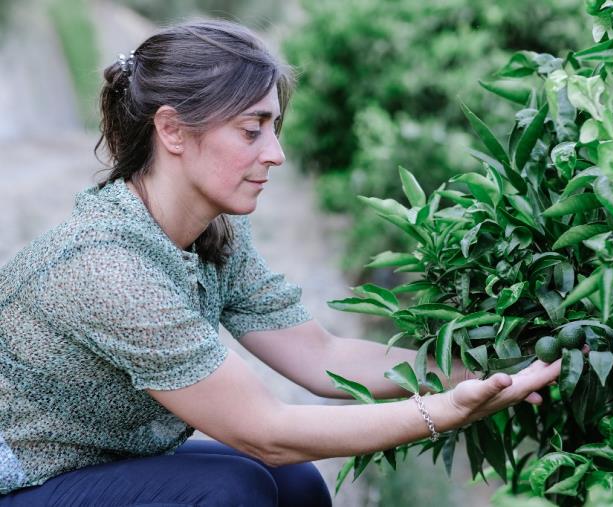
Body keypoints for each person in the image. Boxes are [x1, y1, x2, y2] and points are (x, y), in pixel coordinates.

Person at [0, 19, 561, 507]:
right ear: (171, 129)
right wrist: (442, 411)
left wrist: (484, 371)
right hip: (24, 480)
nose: (276, 153)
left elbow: (323, 357)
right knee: (231, 493)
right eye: (251, 130)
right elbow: (265, 431)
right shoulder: (108, 268)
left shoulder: (213, 233)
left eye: (274, 127)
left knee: (293, 485)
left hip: (102, 460)